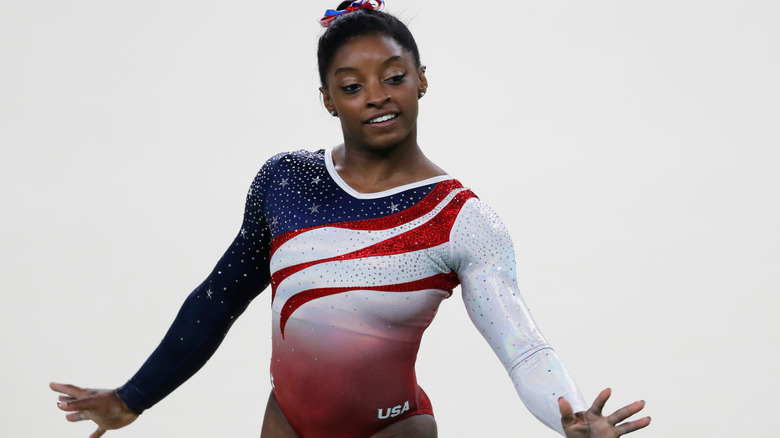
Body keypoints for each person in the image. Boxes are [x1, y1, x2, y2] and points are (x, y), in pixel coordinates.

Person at [51, 2, 651, 437]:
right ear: (328, 99)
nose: (377, 95)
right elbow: (217, 298)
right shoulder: (285, 180)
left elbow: (522, 348)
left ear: (421, 80)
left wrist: (571, 414)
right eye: (352, 85)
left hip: (390, 432)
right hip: (284, 423)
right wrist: (134, 399)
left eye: (393, 77)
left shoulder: (461, 220)